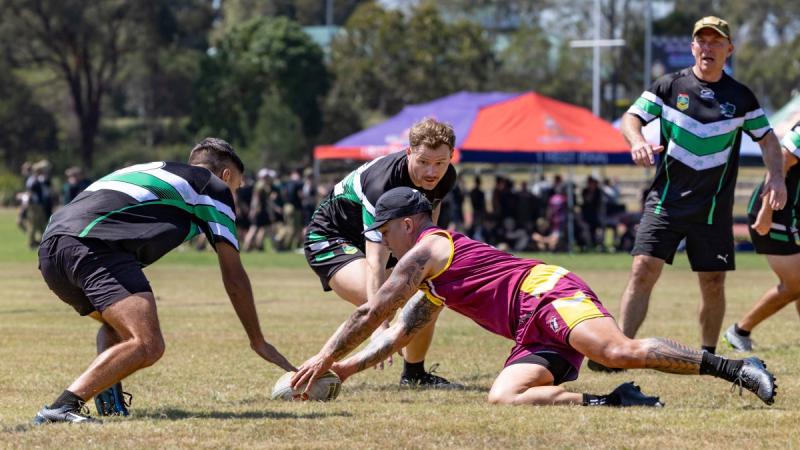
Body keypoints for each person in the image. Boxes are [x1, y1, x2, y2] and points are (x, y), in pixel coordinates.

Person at [291, 187, 777, 407]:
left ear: (406, 224)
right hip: (529, 328)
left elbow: (374, 309)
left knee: (618, 351)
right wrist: (348, 370)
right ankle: (613, 402)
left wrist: (324, 355)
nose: (383, 243)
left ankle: (739, 370)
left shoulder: (427, 248)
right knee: (504, 396)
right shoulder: (433, 271)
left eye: (383, 233)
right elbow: (403, 328)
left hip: (547, 295)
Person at [33, 138, 295, 424]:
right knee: (148, 343)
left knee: (119, 328)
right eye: (237, 187)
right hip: (94, 245)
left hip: (51, 250)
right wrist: (258, 340)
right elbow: (234, 276)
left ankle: (109, 401)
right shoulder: (212, 186)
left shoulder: (160, 172)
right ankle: (61, 408)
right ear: (227, 175)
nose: (235, 195)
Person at [603, 16, 787, 369]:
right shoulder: (669, 86)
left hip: (713, 209)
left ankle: (709, 355)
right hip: (666, 202)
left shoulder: (741, 97)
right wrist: (638, 141)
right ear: (692, 48)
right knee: (643, 269)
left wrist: (776, 178)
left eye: (716, 41)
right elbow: (631, 118)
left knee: (713, 282)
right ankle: (621, 350)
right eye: (701, 41)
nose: (708, 47)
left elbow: (768, 139)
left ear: (728, 50)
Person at [303, 117, 459, 387]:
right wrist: (380, 328)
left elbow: (426, 231)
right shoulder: (382, 184)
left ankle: (414, 375)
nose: (431, 172)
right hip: (331, 237)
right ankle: (317, 369)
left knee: (428, 295)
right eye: (423, 162)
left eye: (440, 163)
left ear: (450, 158)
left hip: (386, 236)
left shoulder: (445, 178)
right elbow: (376, 261)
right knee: (382, 304)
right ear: (409, 152)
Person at [725, 121, 800, 351]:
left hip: (792, 215)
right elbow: (780, 165)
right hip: (775, 213)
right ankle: (740, 331)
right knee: (796, 284)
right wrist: (766, 212)